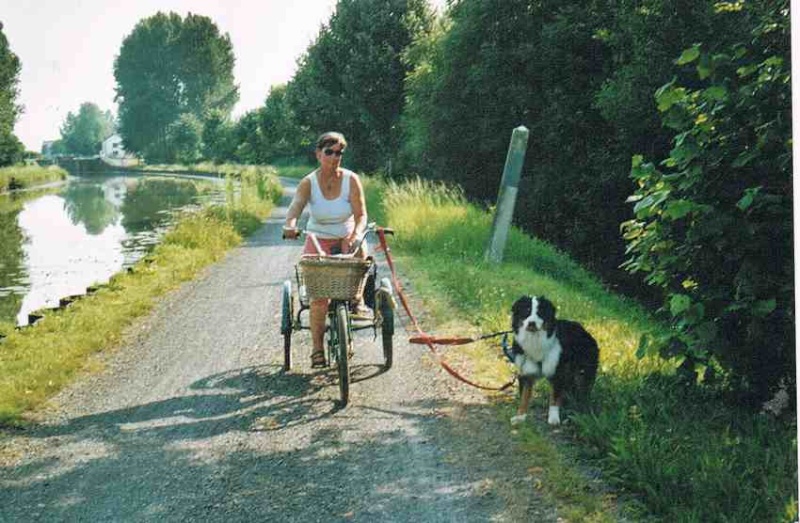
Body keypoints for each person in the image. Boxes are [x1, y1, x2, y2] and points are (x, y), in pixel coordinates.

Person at [283, 131, 369, 368]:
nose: (334, 157)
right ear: (318, 154)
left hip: (346, 235)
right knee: (319, 297)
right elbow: (295, 208)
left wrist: (356, 234)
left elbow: (361, 215)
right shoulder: (308, 182)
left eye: (339, 153)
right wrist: (290, 225)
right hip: (318, 236)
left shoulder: (351, 180)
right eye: (329, 152)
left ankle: (358, 298)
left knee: (358, 265)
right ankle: (317, 349)